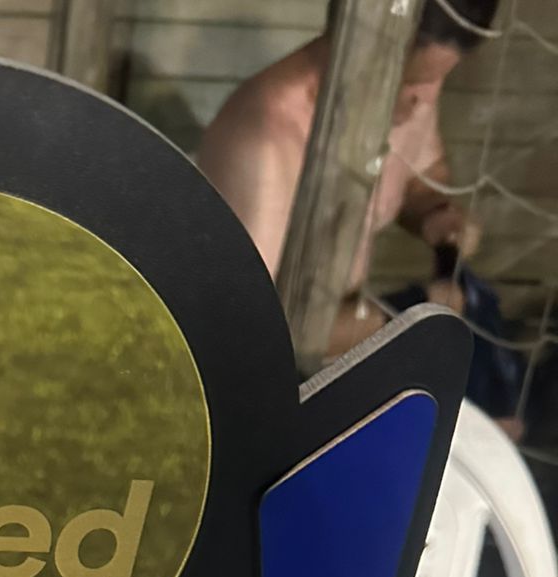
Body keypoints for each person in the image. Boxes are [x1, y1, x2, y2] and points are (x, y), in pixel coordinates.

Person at [197, 0, 499, 361]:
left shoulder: (411, 89)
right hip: (270, 372)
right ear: (365, 51)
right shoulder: (264, 138)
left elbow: (422, 175)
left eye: (439, 79)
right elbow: (250, 333)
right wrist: (408, 312)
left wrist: (437, 214)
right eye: (414, 81)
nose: (425, 100)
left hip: (346, 344)